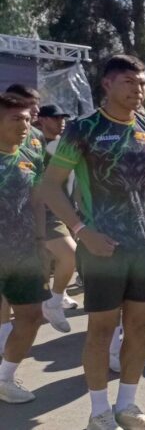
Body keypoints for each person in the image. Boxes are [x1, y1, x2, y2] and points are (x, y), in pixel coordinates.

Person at [42, 54, 145, 430]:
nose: (138, 89)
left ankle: (127, 407)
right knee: (102, 329)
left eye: (142, 83)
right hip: (102, 245)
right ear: (107, 84)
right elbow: (50, 186)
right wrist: (81, 231)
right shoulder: (83, 129)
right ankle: (99, 413)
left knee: (140, 326)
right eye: (129, 82)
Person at [0, 93, 49, 404]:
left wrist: (42, 242)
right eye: (16, 119)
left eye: (28, 119)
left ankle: (4, 379)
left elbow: (37, 200)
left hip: (24, 252)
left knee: (31, 316)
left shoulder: (31, 155)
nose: (24, 125)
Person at [34, 104, 79, 332]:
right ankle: (52, 301)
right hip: (44, 212)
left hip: (67, 210)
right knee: (70, 254)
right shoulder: (34, 143)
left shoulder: (65, 143)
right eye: (55, 118)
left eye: (63, 118)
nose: (61, 122)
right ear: (41, 119)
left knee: (54, 259)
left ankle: (52, 298)